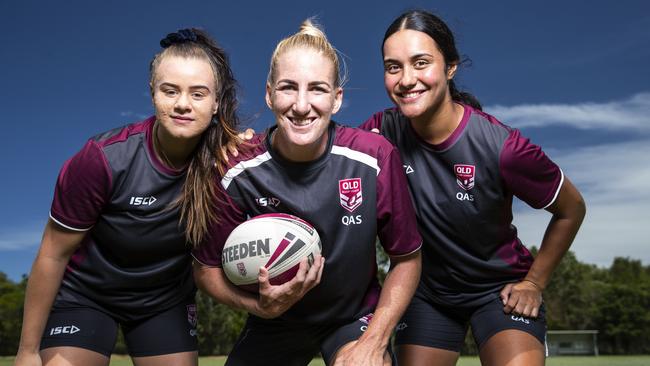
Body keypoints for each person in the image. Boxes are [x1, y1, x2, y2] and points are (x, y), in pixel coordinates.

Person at [359, 10, 587, 366]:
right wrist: (246, 144)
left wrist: (535, 283)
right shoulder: (378, 134)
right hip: (428, 294)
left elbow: (571, 210)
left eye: (421, 63)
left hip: (499, 291)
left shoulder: (502, 147)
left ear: (450, 66)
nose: (406, 79)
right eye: (393, 67)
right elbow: (320, 149)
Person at [192, 19, 422, 366]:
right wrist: (258, 306)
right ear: (269, 94)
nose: (301, 105)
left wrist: (374, 342)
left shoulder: (374, 157)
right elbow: (206, 269)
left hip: (353, 317)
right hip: (275, 321)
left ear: (336, 98)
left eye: (317, 88)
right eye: (288, 88)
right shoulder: (236, 169)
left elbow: (406, 259)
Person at [14, 28, 241, 366]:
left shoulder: (228, 163)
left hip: (163, 301)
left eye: (198, 93)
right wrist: (27, 351)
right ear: (153, 94)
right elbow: (52, 254)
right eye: (170, 90)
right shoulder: (102, 159)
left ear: (216, 103)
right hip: (86, 296)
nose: (182, 103)